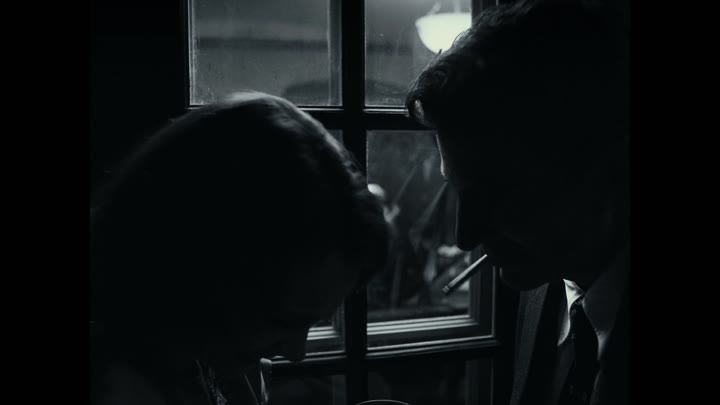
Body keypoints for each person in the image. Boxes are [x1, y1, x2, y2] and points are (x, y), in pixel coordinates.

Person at [90, 91, 390, 405]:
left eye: (311, 324)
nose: (296, 353)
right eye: (282, 321)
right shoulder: (116, 384)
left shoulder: (206, 357)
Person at [405, 0, 628, 404]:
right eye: (458, 189)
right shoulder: (538, 282)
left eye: (494, 192)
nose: (466, 236)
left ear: (604, 165)